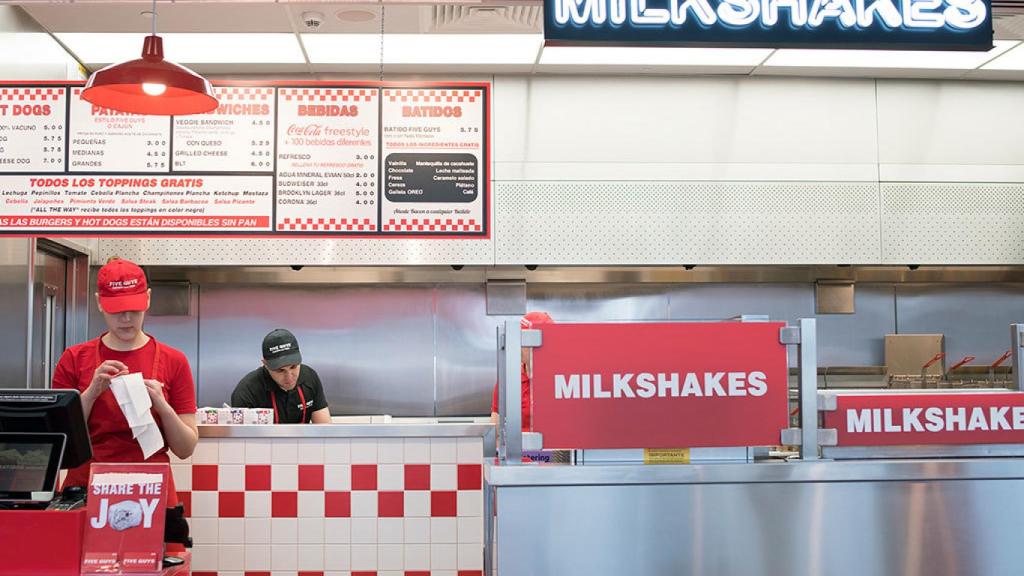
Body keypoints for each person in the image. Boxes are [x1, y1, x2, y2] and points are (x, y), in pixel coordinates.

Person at [52, 257, 199, 501]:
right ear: (100, 303)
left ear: (148, 299)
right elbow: (60, 444)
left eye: (134, 308)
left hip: (151, 489)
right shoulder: (74, 358)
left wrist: (162, 406)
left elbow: (185, 449)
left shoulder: (174, 360)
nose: (126, 318)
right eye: (117, 310)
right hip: (87, 489)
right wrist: (91, 392)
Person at [231, 329, 332, 424]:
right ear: (265, 364)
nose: (289, 376)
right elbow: (242, 440)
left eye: (293, 367)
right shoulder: (247, 392)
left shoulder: (309, 377)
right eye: (280, 370)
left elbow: (325, 431)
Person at [490, 311, 555, 431]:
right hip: (518, 449)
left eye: (523, 340)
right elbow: (495, 428)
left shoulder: (560, 380)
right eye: (516, 339)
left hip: (554, 449)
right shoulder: (508, 379)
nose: (517, 345)